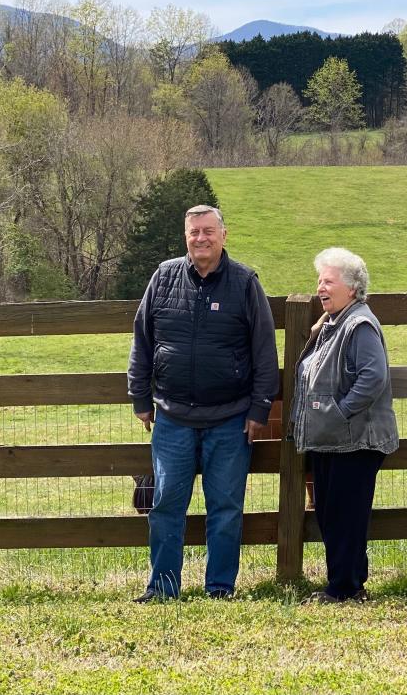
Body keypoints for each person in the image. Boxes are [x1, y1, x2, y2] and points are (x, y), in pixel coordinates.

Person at [127, 205, 279, 601]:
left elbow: (265, 352)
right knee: (165, 507)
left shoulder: (245, 283)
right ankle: (162, 587)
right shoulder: (164, 277)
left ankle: (220, 588)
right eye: (194, 232)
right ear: (186, 237)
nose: (201, 239)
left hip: (230, 419)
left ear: (224, 235)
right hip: (172, 417)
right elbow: (142, 340)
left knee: (225, 509)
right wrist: (140, 396)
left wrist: (259, 410)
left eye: (208, 231)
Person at [290, 247, 398, 603]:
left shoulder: (360, 324)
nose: (321, 287)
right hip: (334, 438)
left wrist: (339, 412)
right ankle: (344, 584)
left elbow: (373, 376)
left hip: (354, 440)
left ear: (352, 287)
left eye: (328, 281)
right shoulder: (337, 323)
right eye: (319, 280)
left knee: (345, 516)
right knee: (332, 512)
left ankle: (346, 587)